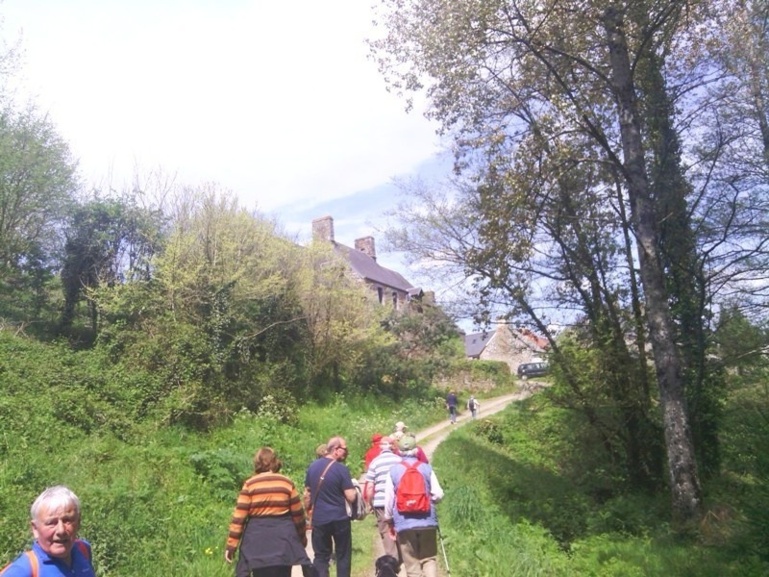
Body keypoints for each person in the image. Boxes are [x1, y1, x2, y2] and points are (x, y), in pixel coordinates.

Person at [225, 447, 311, 577]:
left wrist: (231, 546)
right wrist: (301, 538)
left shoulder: (250, 484)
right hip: (283, 542)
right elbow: (298, 515)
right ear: (275, 462)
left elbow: (239, 518)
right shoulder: (286, 482)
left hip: (257, 542)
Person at [1, 485, 97, 577]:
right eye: (51, 523)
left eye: (67, 520)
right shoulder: (24, 569)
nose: (61, 530)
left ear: (78, 523)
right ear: (35, 528)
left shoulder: (83, 549)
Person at [384, 434, 444, 577]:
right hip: (427, 520)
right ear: (416, 450)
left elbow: (389, 500)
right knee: (428, 559)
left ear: (398, 451)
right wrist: (430, 501)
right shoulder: (426, 468)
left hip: (404, 523)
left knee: (411, 562)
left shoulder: (393, 471)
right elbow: (439, 494)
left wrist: (389, 520)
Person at [304, 436, 357, 577]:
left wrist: (308, 511)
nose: (346, 452)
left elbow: (307, 495)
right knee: (343, 555)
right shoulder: (341, 469)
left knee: (321, 556)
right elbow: (350, 496)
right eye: (344, 449)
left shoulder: (312, 467)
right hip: (339, 518)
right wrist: (356, 490)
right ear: (335, 449)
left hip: (319, 519)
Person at [364, 436, 402, 562]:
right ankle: (403, 554)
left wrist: (369, 503)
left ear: (380, 447)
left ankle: (393, 559)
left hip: (380, 502)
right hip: (398, 500)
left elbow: (370, 486)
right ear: (391, 446)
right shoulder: (399, 460)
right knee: (399, 526)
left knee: (385, 530)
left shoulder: (375, 462)